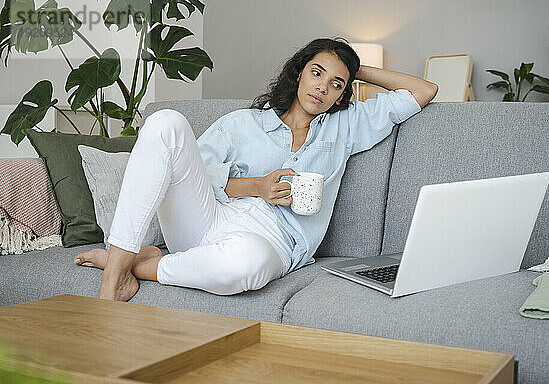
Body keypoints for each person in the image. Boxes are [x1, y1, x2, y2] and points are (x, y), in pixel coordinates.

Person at [73, 37, 438, 301]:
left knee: (246, 265)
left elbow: (424, 90)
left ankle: (139, 266)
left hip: (273, 240)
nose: (322, 87)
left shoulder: (347, 126)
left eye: (335, 83)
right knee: (165, 122)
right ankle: (116, 276)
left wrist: (355, 66)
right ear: (299, 75)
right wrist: (256, 186)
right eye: (317, 72)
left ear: (342, 95)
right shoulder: (242, 124)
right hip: (208, 220)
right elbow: (186, 175)